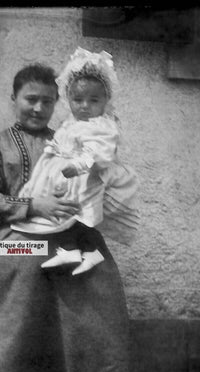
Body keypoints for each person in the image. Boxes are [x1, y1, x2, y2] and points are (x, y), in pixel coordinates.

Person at [0, 62, 131, 372]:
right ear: (13, 98)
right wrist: (33, 205)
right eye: (30, 99)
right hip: (16, 237)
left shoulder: (69, 140)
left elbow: (93, 176)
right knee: (22, 270)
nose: (39, 108)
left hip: (72, 236)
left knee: (100, 295)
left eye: (47, 101)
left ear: (57, 102)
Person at [11, 47, 140, 276]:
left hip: (83, 175)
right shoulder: (70, 123)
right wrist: (54, 150)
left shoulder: (101, 125)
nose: (84, 106)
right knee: (65, 214)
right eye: (77, 99)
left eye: (93, 100)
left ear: (105, 101)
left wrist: (77, 165)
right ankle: (70, 249)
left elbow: (98, 151)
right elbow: (62, 141)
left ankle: (85, 251)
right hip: (52, 186)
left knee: (78, 213)